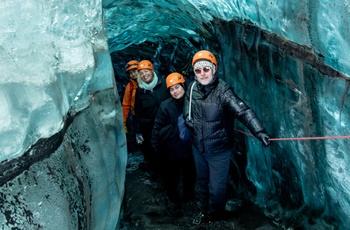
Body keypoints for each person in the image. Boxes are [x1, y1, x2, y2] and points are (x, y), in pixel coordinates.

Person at [183, 50, 271, 224]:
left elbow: (243, 112)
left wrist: (259, 131)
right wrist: (188, 121)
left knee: (217, 189)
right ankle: (203, 212)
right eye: (198, 70)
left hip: (218, 150)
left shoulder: (223, 92)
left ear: (214, 69)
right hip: (198, 147)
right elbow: (187, 108)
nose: (202, 74)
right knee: (202, 183)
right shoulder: (192, 88)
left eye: (206, 69)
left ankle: (215, 216)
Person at [152, 72, 196, 204]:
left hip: (189, 150)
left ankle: (189, 199)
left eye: (177, 87)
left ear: (183, 86)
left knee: (190, 177)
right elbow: (157, 127)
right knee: (172, 179)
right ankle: (174, 203)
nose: (175, 91)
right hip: (171, 151)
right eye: (172, 89)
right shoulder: (165, 106)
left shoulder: (192, 103)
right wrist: (155, 148)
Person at [133, 60, 170, 168]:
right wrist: (137, 132)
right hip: (150, 129)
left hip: (167, 125)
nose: (144, 75)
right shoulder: (140, 92)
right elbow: (137, 112)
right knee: (155, 153)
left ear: (152, 70)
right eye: (141, 73)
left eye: (146, 71)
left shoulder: (164, 83)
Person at [122, 60, 139, 152]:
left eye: (135, 71)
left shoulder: (147, 82)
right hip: (137, 117)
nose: (133, 74)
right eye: (130, 73)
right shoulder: (130, 87)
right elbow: (126, 105)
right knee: (140, 138)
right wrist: (124, 122)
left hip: (150, 115)